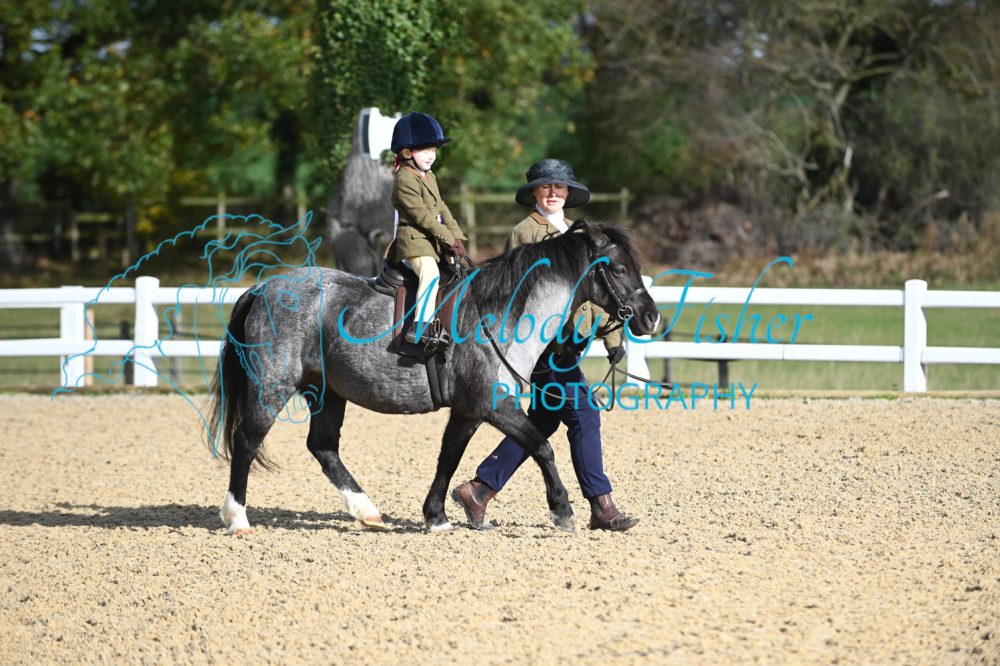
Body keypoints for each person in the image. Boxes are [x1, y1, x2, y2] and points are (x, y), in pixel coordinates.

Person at [451, 158, 639, 532]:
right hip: (543, 348)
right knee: (585, 414)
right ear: (534, 192)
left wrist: (613, 336)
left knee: (542, 419)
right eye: (546, 187)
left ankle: (479, 490)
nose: (553, 193)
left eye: (560, 187)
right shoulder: (525, 234)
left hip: (572, 344)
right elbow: (523, 294)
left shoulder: (582, 235)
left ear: (568, 193)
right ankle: (602, 507)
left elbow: (600, 290)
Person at [389, 111, 469, 344]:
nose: (432, 156)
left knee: (458, 274)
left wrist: (457, 237)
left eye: (433, 150)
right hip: (414, 241)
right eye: (425, 151)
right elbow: (423, 216)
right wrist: (447, 238)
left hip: (432, 240)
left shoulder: (428, 176)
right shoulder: (404, 179)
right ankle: (420, 326)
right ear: (407, 152)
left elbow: (441, 207)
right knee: (431, 274)